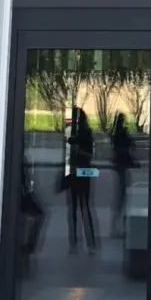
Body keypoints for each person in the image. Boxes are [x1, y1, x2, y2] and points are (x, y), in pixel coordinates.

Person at [66, 106, 97, 252]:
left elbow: (89, 155)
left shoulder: (84, 135)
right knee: (80, 208)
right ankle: (83, 243)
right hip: (79, 172)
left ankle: (83, 244)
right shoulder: (81, 134)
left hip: (81, 172)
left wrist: (78, 149)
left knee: (81, 207)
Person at [110, 112, 134, 238]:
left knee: (121, 198)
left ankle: (116, 227)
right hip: (123, 167)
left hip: (120, 167)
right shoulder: (122, 134)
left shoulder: (116, 134)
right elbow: (129, 147)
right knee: (123, 198)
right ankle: (119, 227)